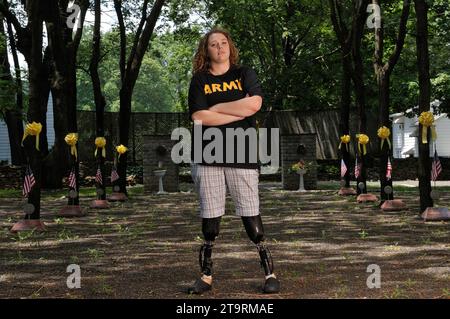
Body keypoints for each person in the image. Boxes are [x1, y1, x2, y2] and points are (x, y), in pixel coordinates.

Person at [187, 28, 280, 295]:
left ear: (230, 46)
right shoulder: (200, 80)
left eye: (223, 42)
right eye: (213, 44)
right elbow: (199, 117)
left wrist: (216, 109)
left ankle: (270, 273)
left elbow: (254, 105)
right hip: (208, 156)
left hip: (242, 152)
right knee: (210, 223)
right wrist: (232, 111)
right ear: (207, 51)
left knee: (252, 219)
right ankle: (205, 276)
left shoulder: (244, 74)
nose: (219, 47)